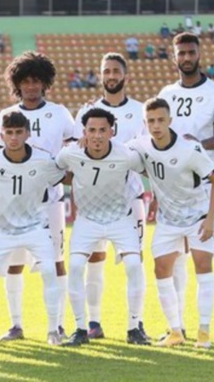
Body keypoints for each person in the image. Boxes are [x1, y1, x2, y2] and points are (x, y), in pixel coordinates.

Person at [158, 33, 214, 342]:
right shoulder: (165, 93)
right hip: (175, 189)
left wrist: (197, 146)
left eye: (191, 51)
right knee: (176, 257)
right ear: (174, 56)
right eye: (181, 52)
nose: (187, 57)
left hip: (210, 186)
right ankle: (176, 327)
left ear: (199, 53)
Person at [0, 51, 75, 343]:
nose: (32, 86)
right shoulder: (6, 116)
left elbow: (73, 149)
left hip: (50, 200)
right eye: (26, 81)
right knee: (15, 262)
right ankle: (16, 324)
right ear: (17, 84)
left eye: (37, 80)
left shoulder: (60, 113)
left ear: (45, 82)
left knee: (56, 261)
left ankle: (57, 325)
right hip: (14, 204)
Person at [0, 112, 65, 347]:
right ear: (2, 135)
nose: (14, 137)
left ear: (28, 133)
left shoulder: (44, 160)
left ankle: (53, 331)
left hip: (37, 228)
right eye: (9, 133)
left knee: (50, 271)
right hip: (0, 230)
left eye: (19, 132)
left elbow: (66, 177)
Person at [129, 97, 214, 348]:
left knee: (203, 267)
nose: (156, 125)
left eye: (161, 120)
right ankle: (175, 331)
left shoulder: (189, 149)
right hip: (168, 220)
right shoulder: (141, 145)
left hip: (198, 216)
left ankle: (204, 331)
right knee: (161, 270)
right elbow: (115, 150)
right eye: (151, 121)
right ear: (145, 123)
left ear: (170, 121)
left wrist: (211, 219)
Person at [71, 53, 148, 341]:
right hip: (94, 200)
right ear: (101, 76)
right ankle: (93, 322)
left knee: (134, 261)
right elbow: (75, 152)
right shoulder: (86, 113)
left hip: (130, 199)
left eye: (116, 71)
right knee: (94, 260)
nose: (112, 76)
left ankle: (136, 323)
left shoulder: (140, 111)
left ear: (125, 75)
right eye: (107, 71)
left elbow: (148, 152)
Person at [59, 108, 149, 347]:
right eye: (91, 130)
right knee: (76, 267)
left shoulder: (126, 155)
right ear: (84, 132)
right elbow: (55, 170)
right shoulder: (71, 153)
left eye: (102, 130)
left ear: (112, 131)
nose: (97, 135)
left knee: (133, 265)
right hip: (87, 220)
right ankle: (80, 328)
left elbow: (152, 170)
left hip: (121, 219)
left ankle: (134, 328)